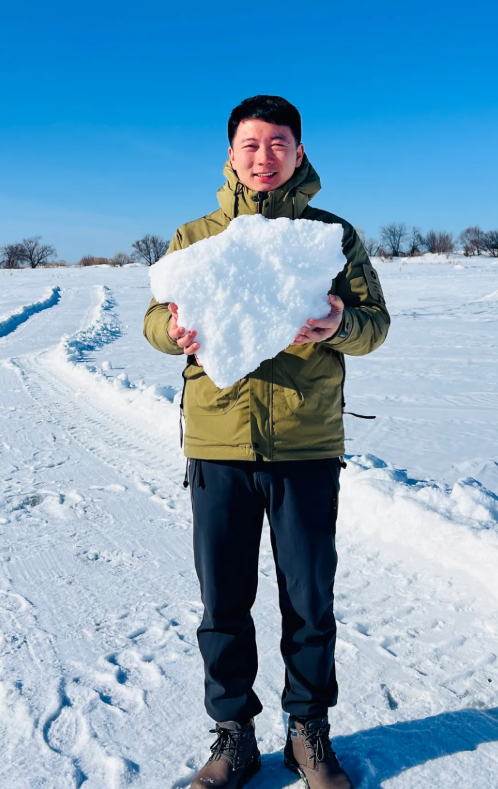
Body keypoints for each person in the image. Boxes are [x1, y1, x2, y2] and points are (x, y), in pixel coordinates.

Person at [143, 95, 390, 789]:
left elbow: (376, 325)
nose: (264, 156)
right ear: (231, 154)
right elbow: (153, 321)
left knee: (308, 599)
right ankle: (234, 736)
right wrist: (175, 332)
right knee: (223, 599)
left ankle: (308, 730)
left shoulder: (332, 236)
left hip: (306, 443)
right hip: (219, 442)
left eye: (278, 142)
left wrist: (340, 320)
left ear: (299, 151)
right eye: (250, 144)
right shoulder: (198, 236)